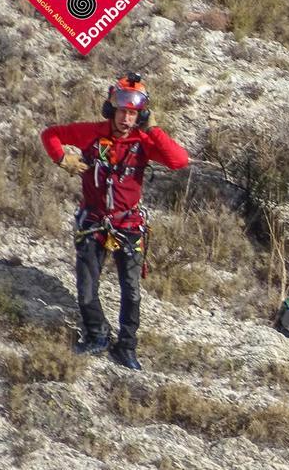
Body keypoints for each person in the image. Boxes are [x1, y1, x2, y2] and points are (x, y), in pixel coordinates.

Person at [40, 72, 188, 370]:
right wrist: (62, 159)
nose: (126, 119)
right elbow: (50, 134)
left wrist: (154, 129)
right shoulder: (91, 132)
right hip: (93, 221)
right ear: (112, 109)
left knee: (131, 291)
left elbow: (179, 160)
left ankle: (127, 346)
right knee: (86, 287)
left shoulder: (144, 141)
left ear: (140, 115)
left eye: (133, 114)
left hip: (129, 225)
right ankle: (98, 335)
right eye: (122, 111)